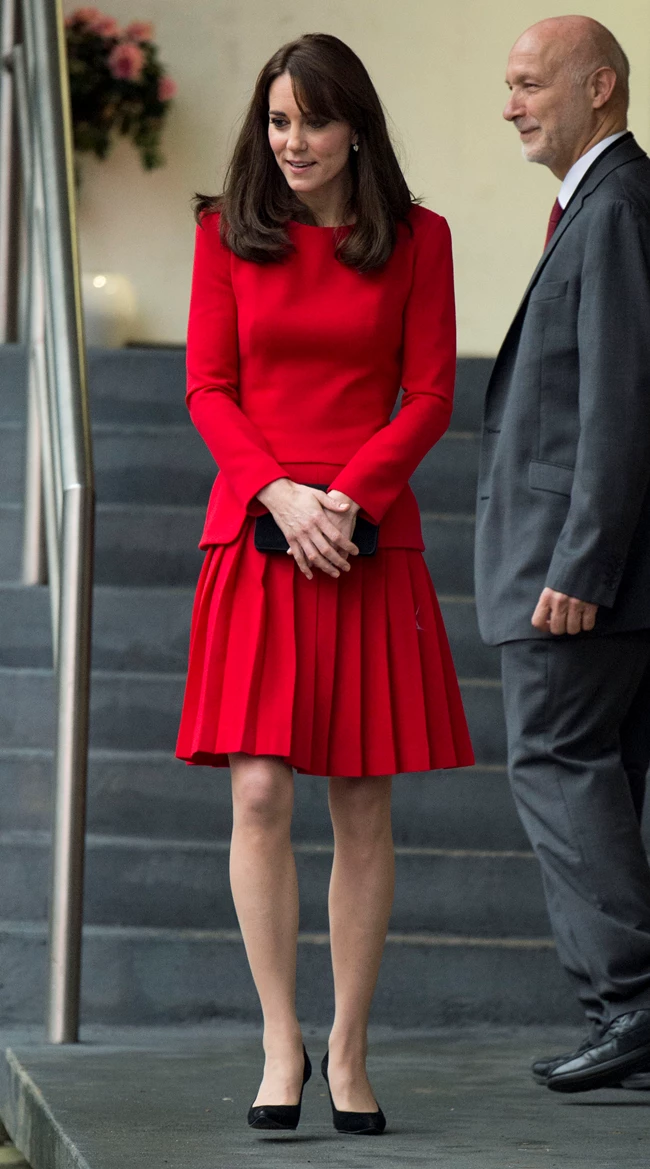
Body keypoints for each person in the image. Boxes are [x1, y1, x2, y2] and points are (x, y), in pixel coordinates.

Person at [176, 32, 473, 1135]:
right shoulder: (222, 234)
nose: (291, 141)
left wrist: (344, 498)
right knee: (257, 788)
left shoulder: (419, 241)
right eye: (276, 120)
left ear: (357, 127)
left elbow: (429, 393)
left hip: (366, 537)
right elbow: (208, 387)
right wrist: (281, 496)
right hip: (256, 536)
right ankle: (277, 1040)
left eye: (312, 120)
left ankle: (346, 1045)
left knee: (360, 798)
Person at [475, 14, 650, 1094]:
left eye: (529, 83)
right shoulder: (602, 203)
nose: (510, 104)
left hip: (574, 580)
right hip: (591, 572)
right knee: (603, 771)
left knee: (555, 762)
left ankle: (628, 1004)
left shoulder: (616, 206)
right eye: (507, 84)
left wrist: (579, 564)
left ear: (599, 87)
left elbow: (619, 404)